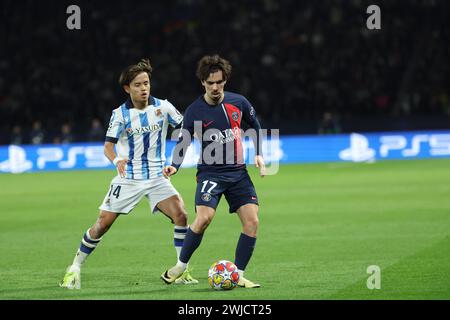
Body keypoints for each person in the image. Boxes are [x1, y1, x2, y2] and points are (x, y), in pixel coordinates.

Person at [60, 58, 198, 289]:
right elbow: (108, 146)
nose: (144, 88)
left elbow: (185, 131)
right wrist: (117, 159)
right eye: (138, 84)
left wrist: (175, 162)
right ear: (127, 88)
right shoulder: (120, 115)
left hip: (156, 177)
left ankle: (180, 270)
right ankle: (74, 268)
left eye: (146, 83)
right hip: (129, 178)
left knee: (181, 214)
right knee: (102, 224)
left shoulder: (163, 107)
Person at [160, 54, 266, 288]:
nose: (215, 87)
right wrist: (174, 165)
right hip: (211, 174)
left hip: (239, 174)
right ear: (203, 83)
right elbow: (184, 141)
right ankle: (180, 266)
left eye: (219, 82)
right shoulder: (194, 111)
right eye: (210, 83)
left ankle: (237, 274)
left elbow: (255, 126)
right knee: (204, 218)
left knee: (252, 222)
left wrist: (258, 153)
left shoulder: (239, 103)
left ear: (225, 80)